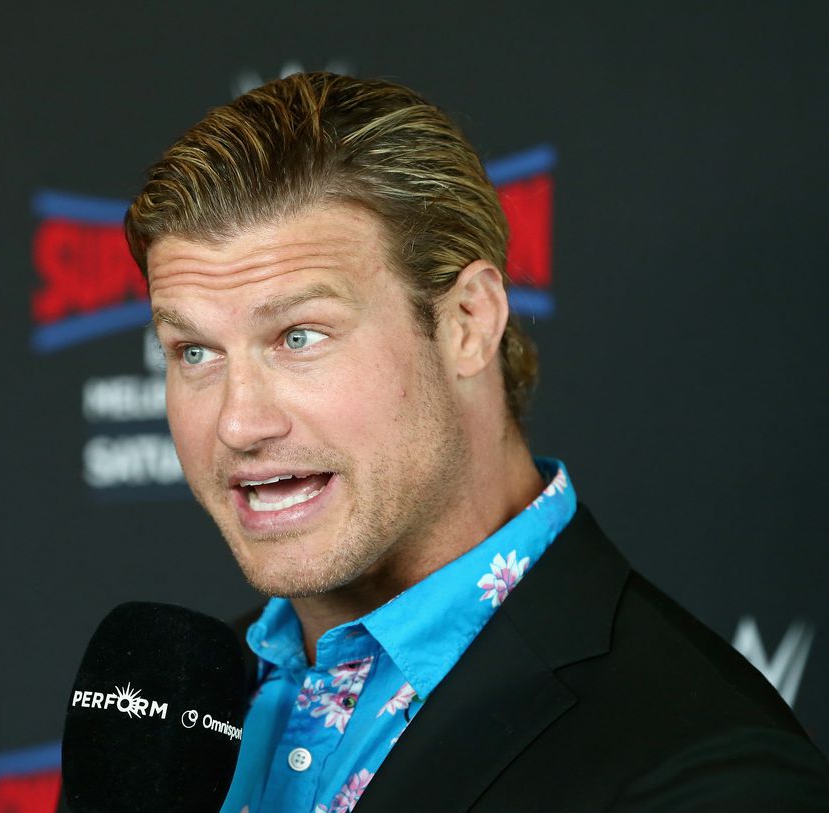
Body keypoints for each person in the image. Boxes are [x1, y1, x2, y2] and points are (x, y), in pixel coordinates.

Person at [122, 73, 829, 812]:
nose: (238, 423)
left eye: (299, 336)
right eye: (194, 351)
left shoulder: (706, 772)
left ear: (469, 321)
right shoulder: (165, 714)